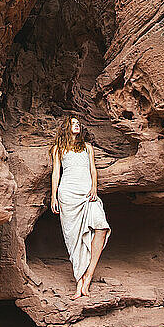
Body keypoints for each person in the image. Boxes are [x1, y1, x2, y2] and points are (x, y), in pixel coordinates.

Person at [49, 114, 111, 298]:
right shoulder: (58, 149)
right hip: (67, 194)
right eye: (73, 124)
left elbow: (93, 169)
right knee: (74, 239)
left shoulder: (87, 147)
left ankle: (89, 275)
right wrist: (54, 196)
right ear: (66, 127)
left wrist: (94, 187)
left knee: (101, 226)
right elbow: (55, 174)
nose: (76, 126)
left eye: (78, 123)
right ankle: (80, 283)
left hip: (86, 193)